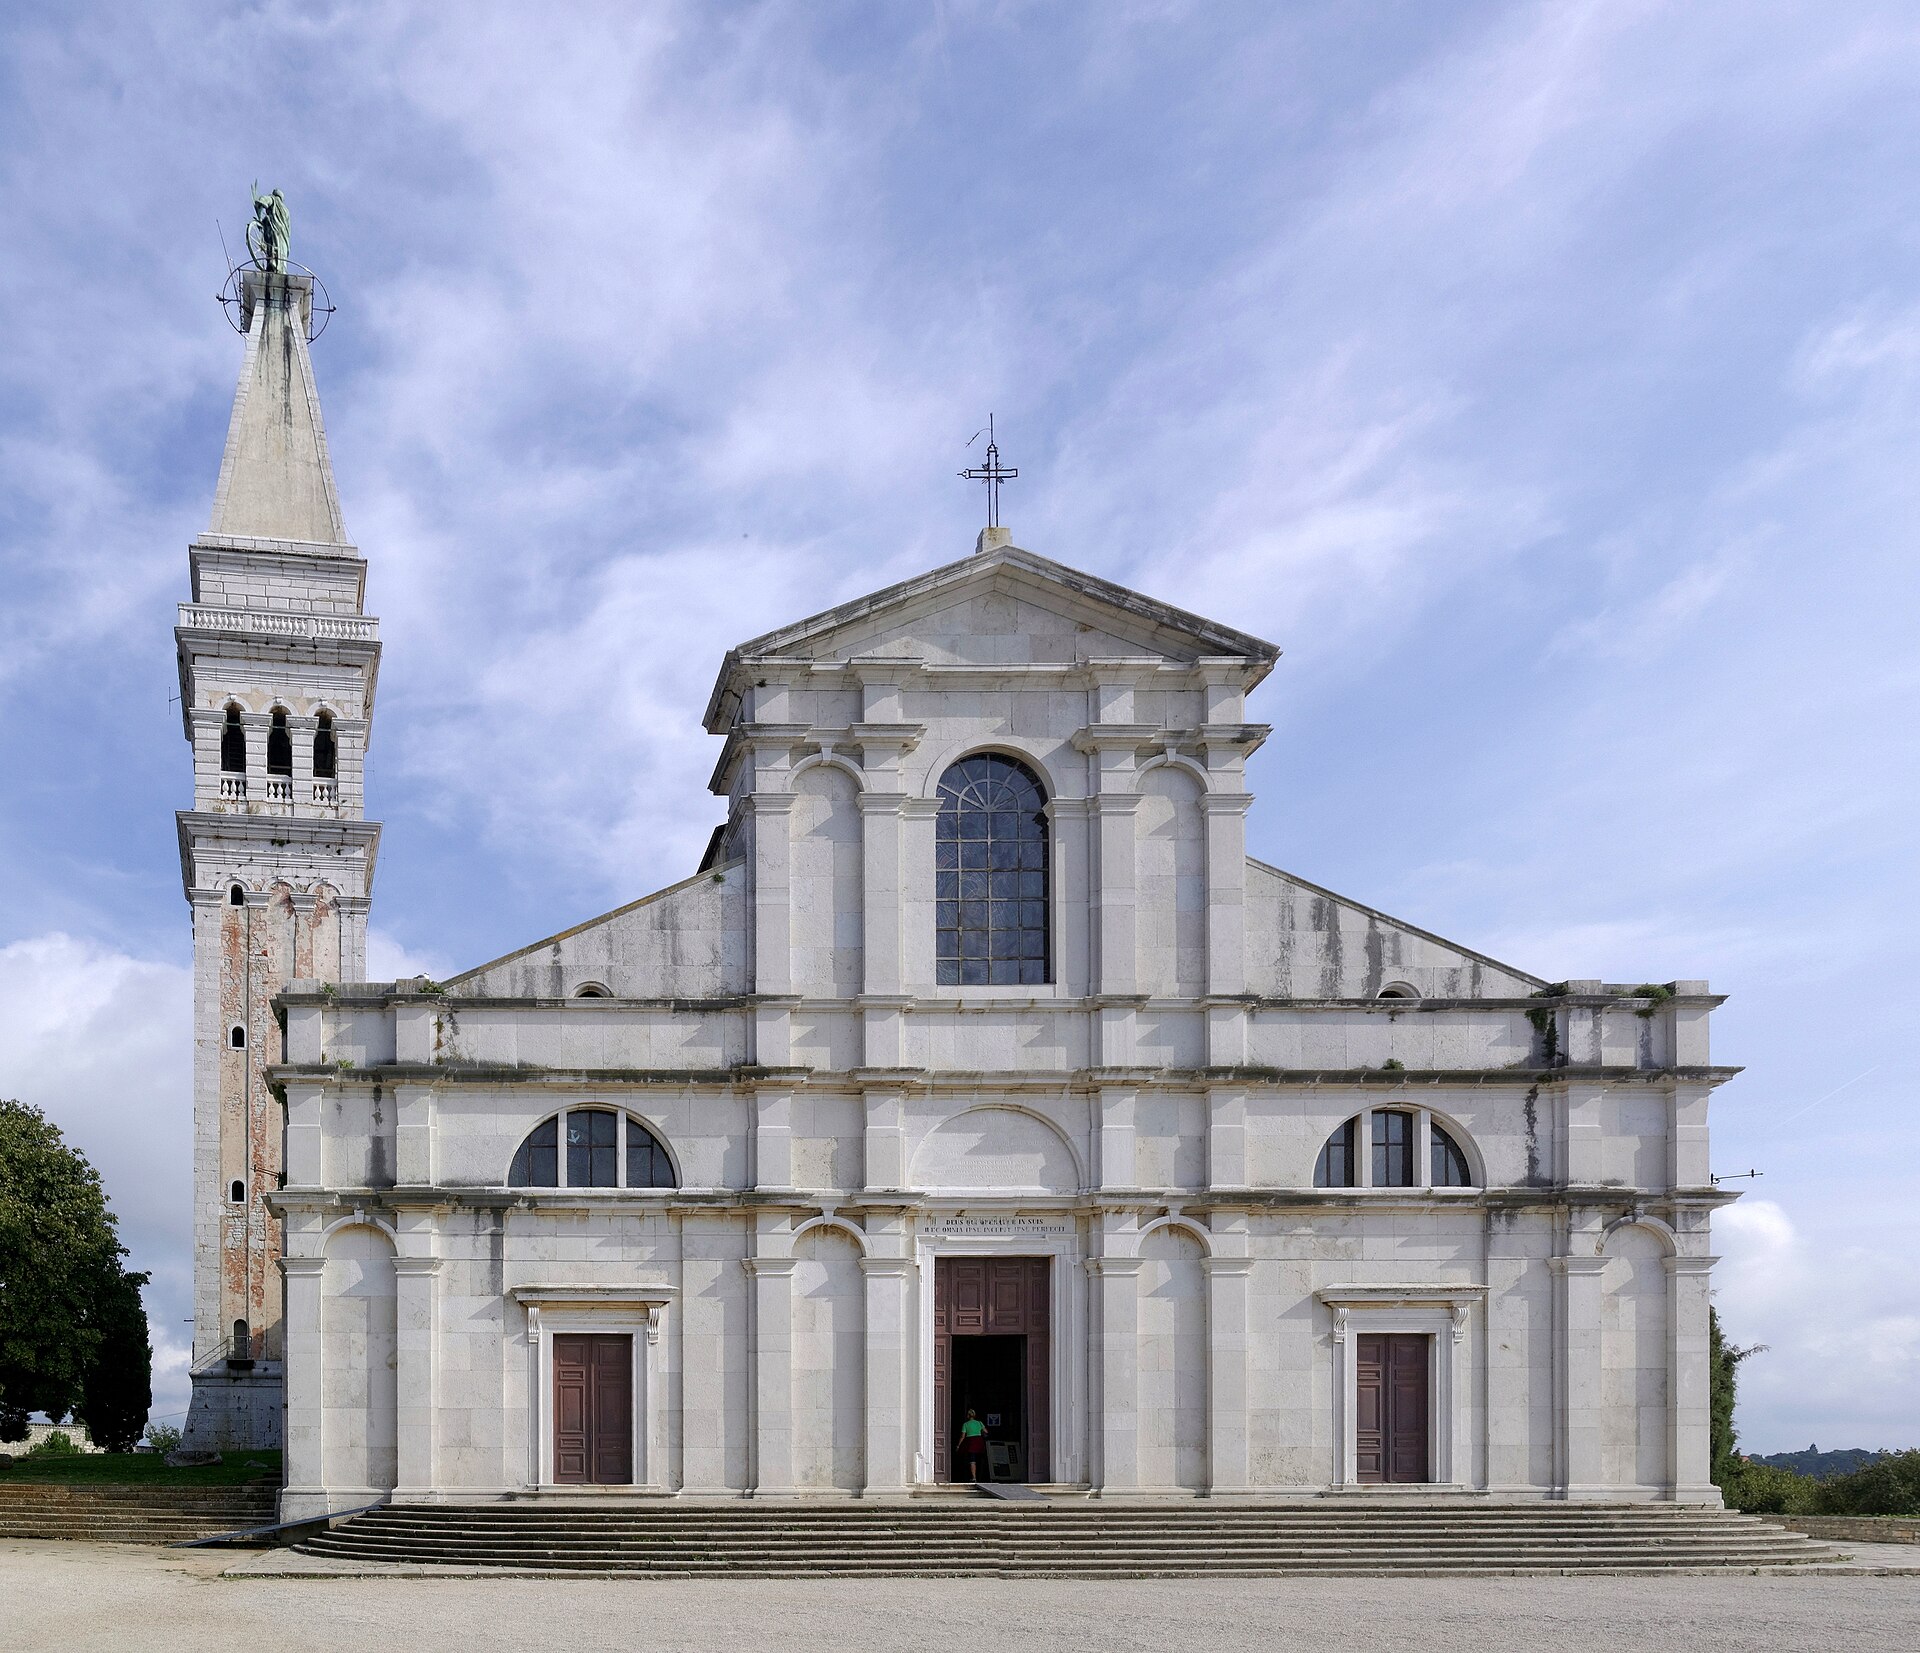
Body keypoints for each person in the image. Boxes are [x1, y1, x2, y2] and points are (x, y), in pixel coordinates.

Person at [955, 1408, 989, 1482]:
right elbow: (986, 1431)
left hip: (971, 1443)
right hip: (979, 1442)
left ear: (968, 1415)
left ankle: (974, 1477)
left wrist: (958, 1445)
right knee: (981, 1460)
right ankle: (983, 1476)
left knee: (972, 1461)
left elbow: (962, 1436)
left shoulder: (965, 1424)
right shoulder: (979, 1423)